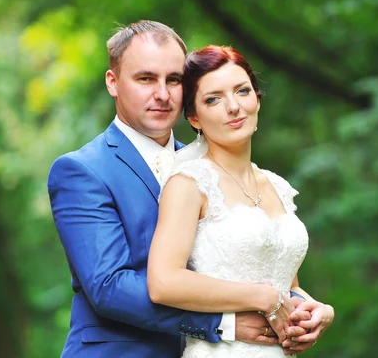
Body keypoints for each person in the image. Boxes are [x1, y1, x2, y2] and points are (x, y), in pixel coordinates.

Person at [48, 21, 314, 358]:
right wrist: (221, 323)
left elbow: (250, 264)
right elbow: (108, 287)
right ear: (113, 82)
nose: (162, 94)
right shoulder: (82, 171)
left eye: (173, 80)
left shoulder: (209, 165)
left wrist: (308, 308)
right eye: (145, 79)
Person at [147, 45, 335, 357]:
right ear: (194, 117)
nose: (233, 106)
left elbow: (284, 281)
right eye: (213, 99)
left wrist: (319, 311)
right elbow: (163, 282)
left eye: (242, 91)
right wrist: (264, 298)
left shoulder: (277, 186)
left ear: (257, 99)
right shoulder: (189, 183)